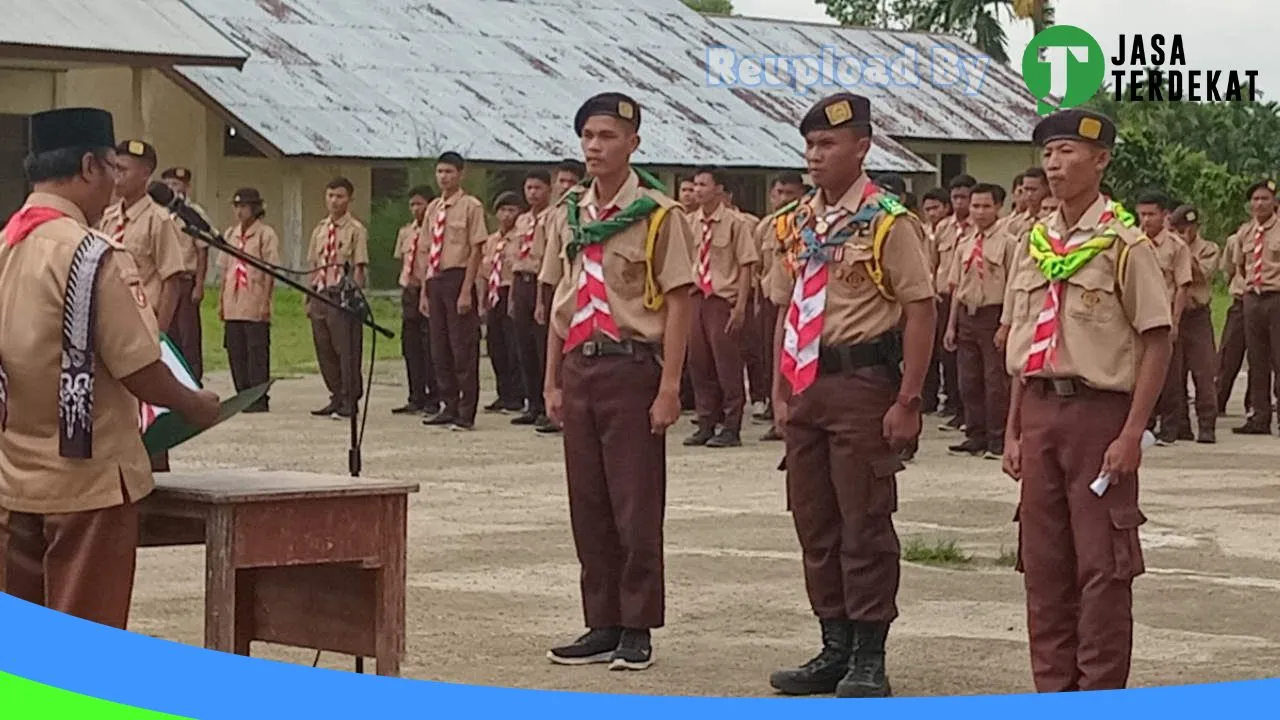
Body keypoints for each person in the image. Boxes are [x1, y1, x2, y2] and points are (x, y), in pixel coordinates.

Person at [0, 107, 220, 630]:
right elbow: (139, 367)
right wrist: (195, 405)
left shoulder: (7, 246)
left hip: (13, 477)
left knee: (25, 647)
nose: (114, 186)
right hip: (88, 483)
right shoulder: (92, 254)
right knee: (84, 641)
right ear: (88, 167)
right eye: (111, 170)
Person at [766, 93, 935, 699]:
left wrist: (908, 399)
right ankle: (832, 646)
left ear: (862, 147)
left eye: (828, 144)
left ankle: (870, 656)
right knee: (814, 518)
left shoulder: (889, 220)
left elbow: (920, 308)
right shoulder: (794, 223)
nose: (815, 156)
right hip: (807, 384)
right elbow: (785, 309)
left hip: (864, 382)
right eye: (810, 145)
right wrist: (779, 391)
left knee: (864, 519)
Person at [1002, 108, 1171, 693]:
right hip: (1041, 412)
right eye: (1048, 154)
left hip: (1099, 417)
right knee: (1043, 566)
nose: (1054, 164)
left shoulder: (1125, 245)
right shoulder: (1034, 243)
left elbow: (1157, 339)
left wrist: (1132, 434)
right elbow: (1024, 346)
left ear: (1101, 160)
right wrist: (1014, 430)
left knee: (1102, 567)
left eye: (1069, 151)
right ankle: (1053, 692)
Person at [540, 92, 694, 671]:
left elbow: (680, 301)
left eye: (607, 137)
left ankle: (637, 625)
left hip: (632, 367)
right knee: (589, 504)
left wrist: (671, 386)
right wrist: (552, 381)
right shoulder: (571, 213)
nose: (595, 147)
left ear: (633, 143)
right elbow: (559, 302)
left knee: (635, 503)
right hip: (580, 366)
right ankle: (600, 620)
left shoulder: (659, 214)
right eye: (588, 137)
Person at [99, 139, 190, 473]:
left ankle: (155, 479)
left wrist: (160, 332)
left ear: (146, 175)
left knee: (150, 417)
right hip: (110, 328)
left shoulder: (158, 220)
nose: (117, 176)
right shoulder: (108, 218)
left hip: (144, 325)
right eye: (115, 168)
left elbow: (172, 279)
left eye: (124, 170)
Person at [683, 166, 758, 449]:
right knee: (698, 362)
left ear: (718, 189)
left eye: (704, 184)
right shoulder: (689, 223)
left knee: (726, 363)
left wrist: (740, 306)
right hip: (696, 297)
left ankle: (731, 425)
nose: (698, 190)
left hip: (722, 299)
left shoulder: (735, 223)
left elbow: (746, 264)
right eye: (696, 184)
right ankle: (706, 422)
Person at [943, 183, 1014, 460]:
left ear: (998, 207)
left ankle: (997, 438)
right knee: (968, 380)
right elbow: (957, 289)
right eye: (975, 206)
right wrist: (951, 326)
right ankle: (975, 434)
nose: (980, 212)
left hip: (993, 315)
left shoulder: (1008, 243)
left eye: (986, 206)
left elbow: (1012, 287)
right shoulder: (965, 243)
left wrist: (1006, 325)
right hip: (967, 317)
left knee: (995, 380)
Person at [418, 153, 488, 432]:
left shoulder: (471, 206)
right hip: (436, 279)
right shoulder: (433, 208)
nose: (444, 176)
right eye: (440, 171)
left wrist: (466, 290)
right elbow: (426, 251)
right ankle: (448, 404)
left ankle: (465, 410)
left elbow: (476, 249)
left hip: (458, 277)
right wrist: (424, 291)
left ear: (461, 174)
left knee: (463, 348)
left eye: (449, 171)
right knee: (439, 347)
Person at [305, 177, 369, 420]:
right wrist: (309, 296)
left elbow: (360, 267)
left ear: (349, 199)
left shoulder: (356, 230)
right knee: (325, 348)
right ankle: (335, 395)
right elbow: (313, 264)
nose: (334, 201)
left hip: (342, 295)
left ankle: (349, 398)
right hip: (321, 293)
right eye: (330, 195)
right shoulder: (320, 229)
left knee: (347, 349)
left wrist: (354, 298)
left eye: (340, 196)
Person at [751, 172, 808, 441]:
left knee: (799, 360)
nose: (784, 199)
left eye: (791, 195)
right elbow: (757, 267)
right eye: (779, 193)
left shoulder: (808, 224)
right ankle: (778, 415)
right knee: (773, 360)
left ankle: (797, 415)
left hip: (801, 303)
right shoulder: (767, 226)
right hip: (772, 299)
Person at [1134, 189, 1192, 445]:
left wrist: (1176, 321)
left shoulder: (1176, 247)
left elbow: (1182, 285)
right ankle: (1142, 424)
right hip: (1137, 317)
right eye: (1142, 215)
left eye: (1151, 214)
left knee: (1169, 375)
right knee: (1137, 372)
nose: (1146, 220)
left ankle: (1170, 427)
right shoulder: (1133, 243)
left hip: (1164, 316)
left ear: (1165, 215)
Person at [535, 160, 586, 436]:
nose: (566, 187)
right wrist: (543, 302)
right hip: (566, 295)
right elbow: (551, 270)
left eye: (571, 182)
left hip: (593, 297)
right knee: (558, 354)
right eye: (561, 181)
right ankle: (553, 406)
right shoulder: (558, 215)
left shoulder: (589, 210)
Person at [219, 188, 279, 413]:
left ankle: (259, 396)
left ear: (255, 208)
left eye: (244, 207)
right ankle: (242, 394)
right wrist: (221, 302)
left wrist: (265, 302)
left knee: (256, 350)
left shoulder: (265, 234)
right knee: (235, 349)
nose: (239, 211)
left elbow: (271, 270)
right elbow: (226, 269)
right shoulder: (230, 234)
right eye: (236, 206)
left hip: (254, 298)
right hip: (233, 300)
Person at [1167, 205, 1220, 443]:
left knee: (1204, 371)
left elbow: (1203, 276)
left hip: (1197, 315)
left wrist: (1185, 251)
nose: (1183, 232)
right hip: (1174, 314)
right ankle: (1181, 424)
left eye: (1188, 228)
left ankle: (1207, 424)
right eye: (1178, 228)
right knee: (1175, 373)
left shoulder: (1209, 249)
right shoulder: (1166, 248)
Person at [1233, 179, 1280, 435]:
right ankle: (1259, 417)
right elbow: (1239, 266)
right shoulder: (1245, 232)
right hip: (1253, 298)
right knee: (1257, 360)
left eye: (1264, 199)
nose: (1259, 203)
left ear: (1274, 202)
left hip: (1277, 299)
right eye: (1255, 199)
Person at [509, 170, 555, 427]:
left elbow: (547, 261)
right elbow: (515, 260)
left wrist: (540, 301)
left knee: (542, 348)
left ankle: (549, 406)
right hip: (521, 282)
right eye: (528, 188)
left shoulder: (553, 218)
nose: (533, 193)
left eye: (538, 188)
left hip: (541, 284)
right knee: (523, 347)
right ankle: (532, 403)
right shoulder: (522, 220)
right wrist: (513, 298)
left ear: (548, 190)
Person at [391, 186, 440, 416]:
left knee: (429, 345)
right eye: (412, 204)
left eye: (420, 204)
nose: (416, 209)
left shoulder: (436, 232)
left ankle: (434, 396)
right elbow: (401, 261)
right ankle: (415, 395)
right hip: (409, 290)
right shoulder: (406, 232)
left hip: (427, 288)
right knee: (410, 346)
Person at [934, 173, 976, 430]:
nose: (960, 203)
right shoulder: (943, 227)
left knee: (968, 361)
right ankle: (952, 403)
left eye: (964, 197)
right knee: (947, 355)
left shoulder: (979, 229)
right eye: (955, 197)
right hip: (942, 296)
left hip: (966, 296)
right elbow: (933, 261)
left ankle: (967, 411)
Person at [160, 166, 209, 383]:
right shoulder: (159, 214)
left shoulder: (192, 214)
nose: (172, 189)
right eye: (168, 185)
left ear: (187, 187)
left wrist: (199, 284)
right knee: (168, 334)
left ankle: (193, 379)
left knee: (189, 334)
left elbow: (202, 250)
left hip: (186, 280)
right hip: (164, 283)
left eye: (176, 185)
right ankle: (173, 378)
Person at [480, 191, 525, 414]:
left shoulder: (521, 238)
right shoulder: (491, 241)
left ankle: (517, 395)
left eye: (512, 210)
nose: (507, 215)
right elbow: (484, 272)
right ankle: (503, 392)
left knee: (513, 345)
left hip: (511, 291)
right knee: (495, 345)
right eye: (503, 210)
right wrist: (482, 301)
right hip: (494, 293)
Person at [1218, 224, 1252, 417]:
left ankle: (1254, 405)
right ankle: (1219, 399)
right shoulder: (1238, 237)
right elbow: (1229, 271)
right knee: (1229, 353)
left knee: (1260, 358)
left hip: (1271, 301)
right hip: (1241, 300)